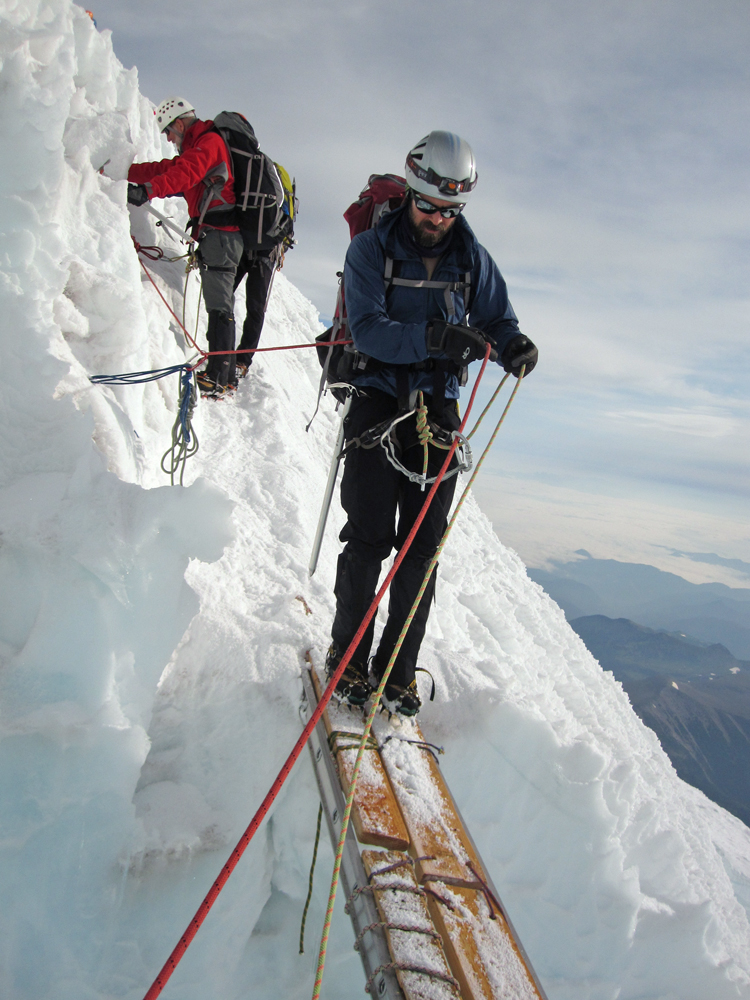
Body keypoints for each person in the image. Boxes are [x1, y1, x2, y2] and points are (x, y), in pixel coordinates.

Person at [326, 130, 538, 717]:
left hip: (437, 412)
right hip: (377, 401)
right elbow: (368, 330)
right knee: (368, 539)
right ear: (411, 193)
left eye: (450, 210)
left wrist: (513, 344)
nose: (438, 219)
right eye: (428, 205)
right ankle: (348, 660)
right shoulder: (370, 250)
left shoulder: (472, 257)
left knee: (420, 551)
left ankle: (396, 673)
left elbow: (497, 318)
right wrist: (436, 338)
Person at [127, 97, 244, 397]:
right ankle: (224, 374)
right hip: (218, 237)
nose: (168, 138)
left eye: (168, 131)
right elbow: (166, 168)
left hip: (221, 236)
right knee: (220, 303)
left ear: (179, 123)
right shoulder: (199, 147)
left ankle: (218, 377)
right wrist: (128, 173)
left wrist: (148, 191)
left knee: (219, 306)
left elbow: (184, 173)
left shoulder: (208, 143)